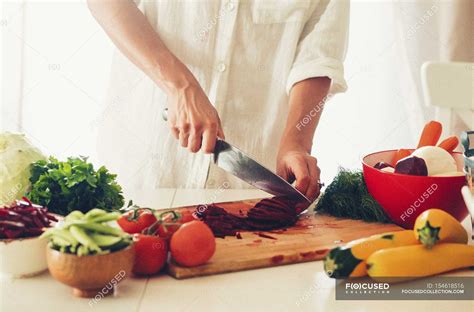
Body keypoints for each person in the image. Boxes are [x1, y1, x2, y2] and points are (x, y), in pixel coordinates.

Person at [88, 0, 349, 202]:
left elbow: (318, 55)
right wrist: (180, 86)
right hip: (145, 168)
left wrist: (296, 143)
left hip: (246, 190)